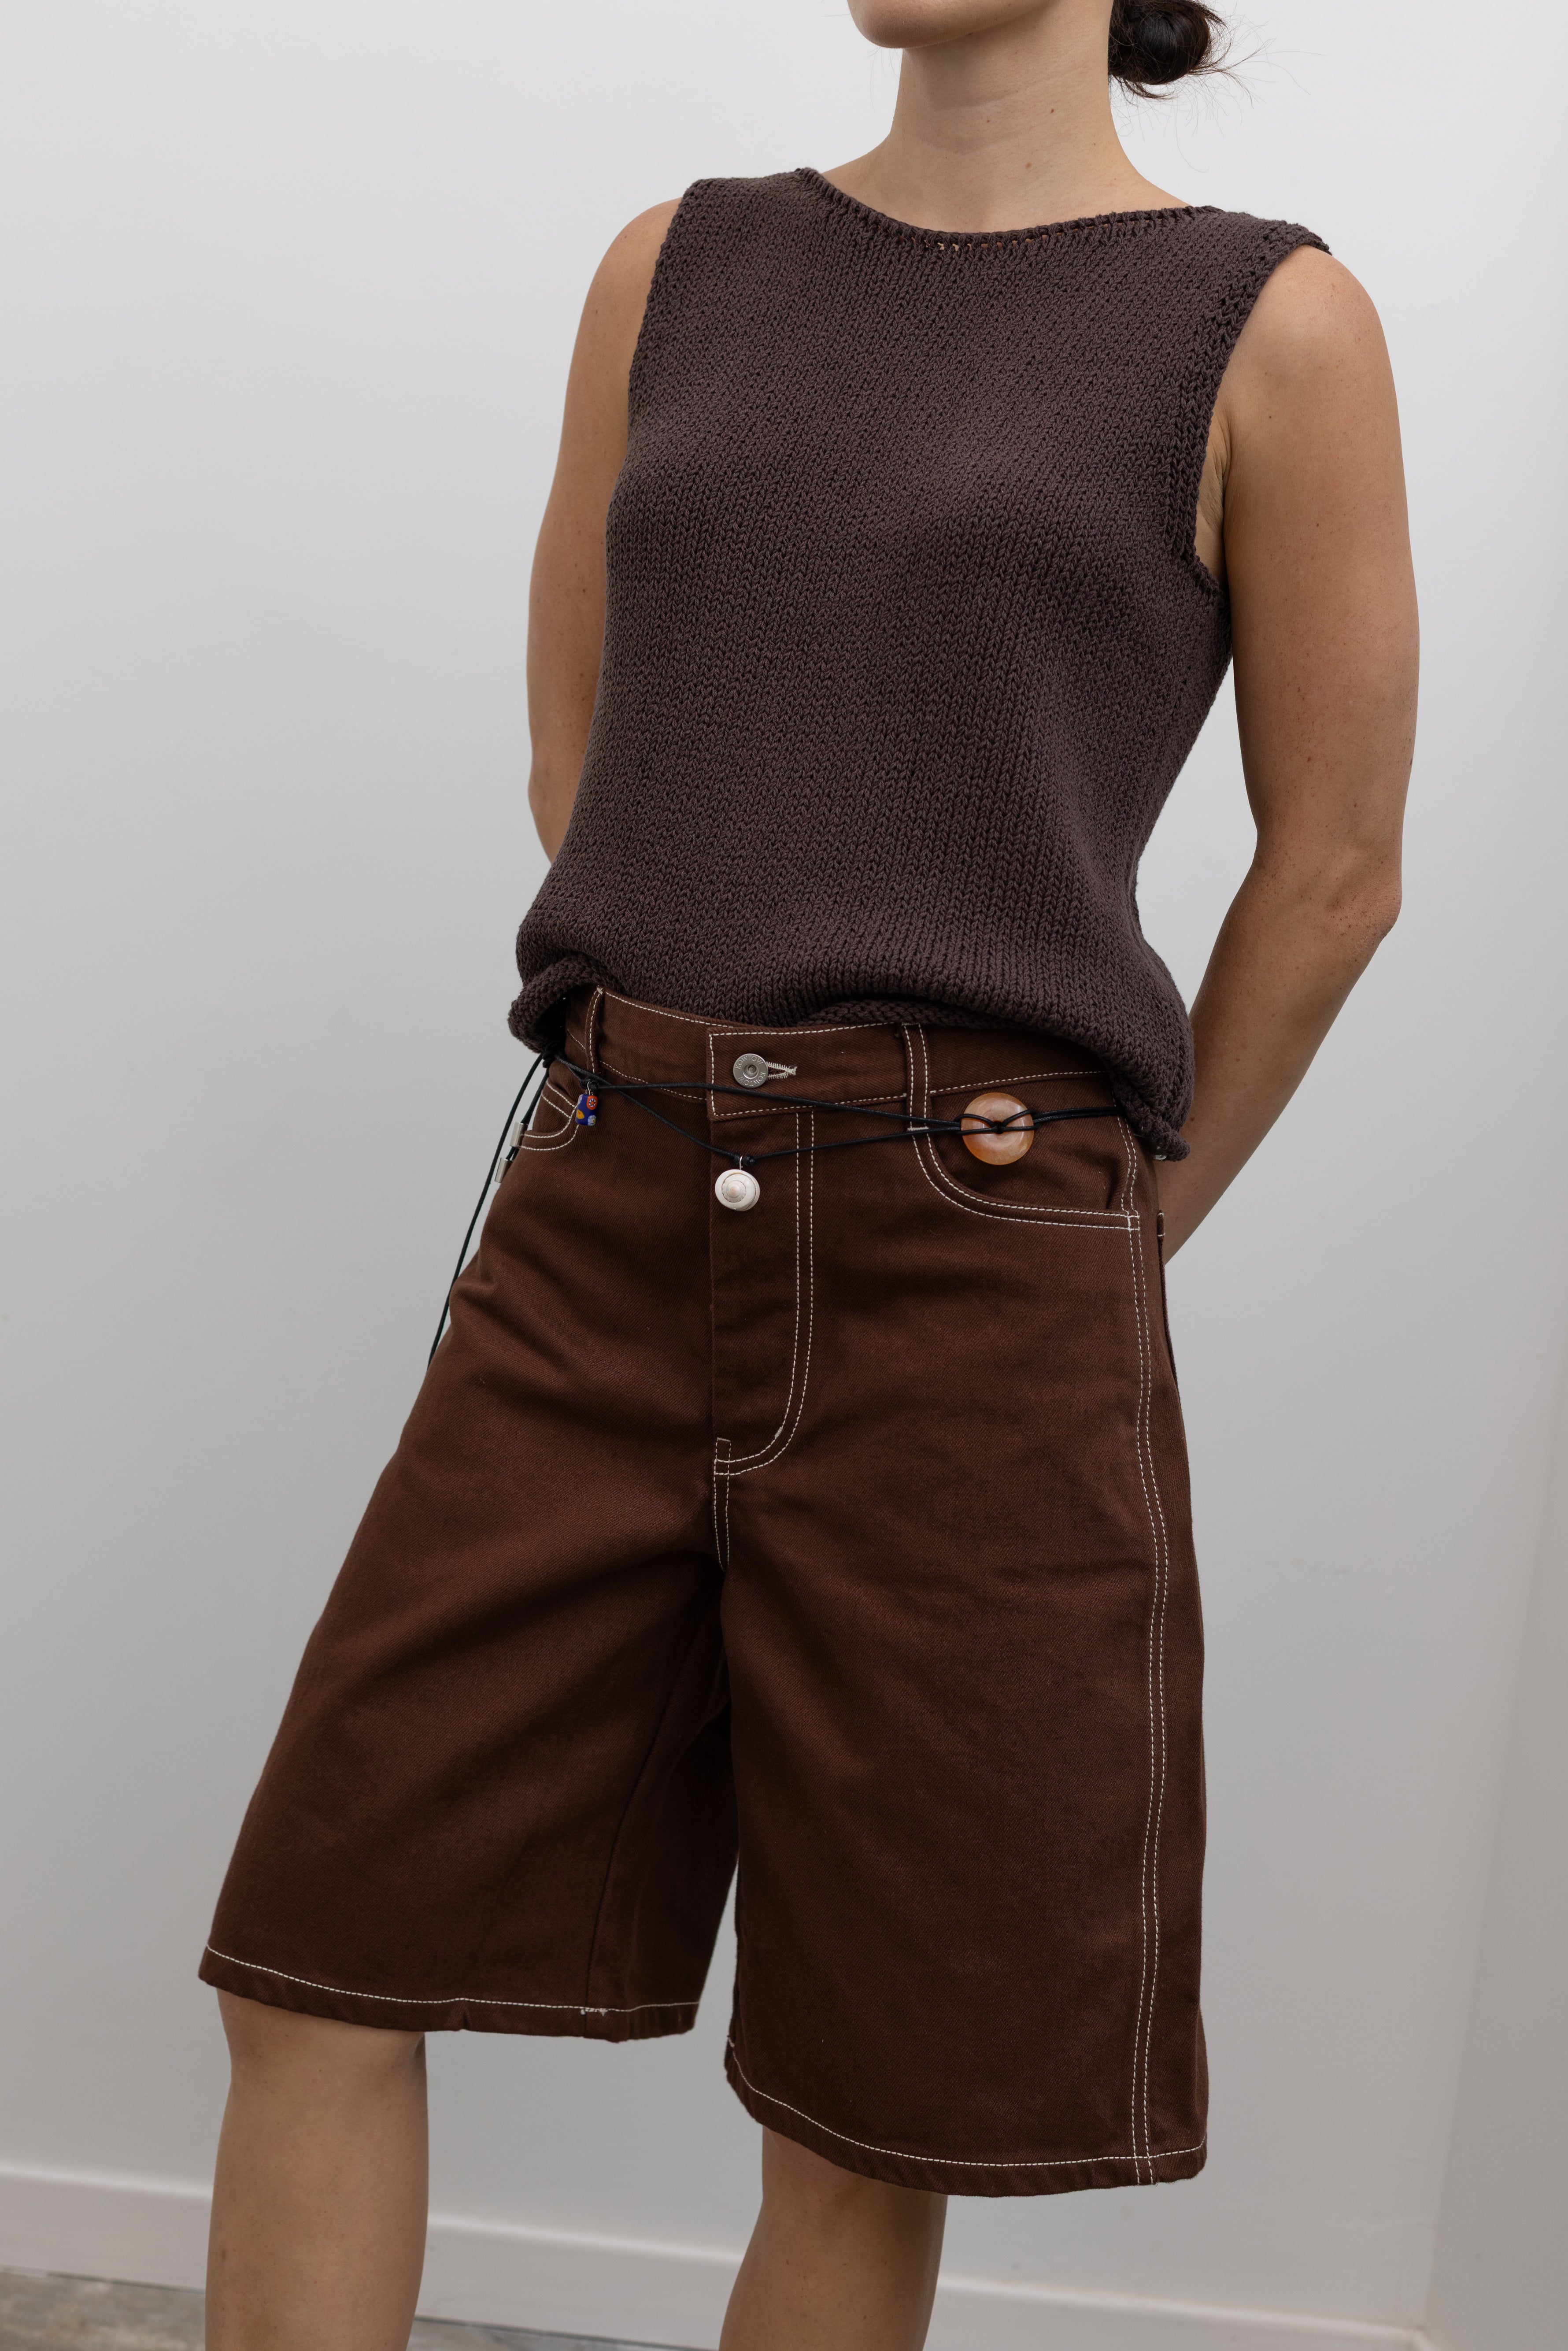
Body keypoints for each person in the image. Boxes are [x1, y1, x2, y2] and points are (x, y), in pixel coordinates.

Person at [199, 2, 1417, 2345]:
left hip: (982, 1263)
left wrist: (1088, 1232)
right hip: (605, 1203)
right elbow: (588, 748)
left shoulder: (1267, 324)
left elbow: (1337, 865)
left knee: (869, 2096)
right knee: (321, 1954)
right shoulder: (674, 268)